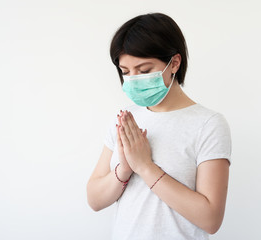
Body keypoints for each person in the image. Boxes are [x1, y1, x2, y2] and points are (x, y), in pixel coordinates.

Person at [86, 12, 232, 240]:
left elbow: (211, 219)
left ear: (174, 63)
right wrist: (124, 169)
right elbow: (94, 199)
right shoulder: (125, 119)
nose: (133, 79)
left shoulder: (208, 125)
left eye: (144, 71)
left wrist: (145, 167)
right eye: (125, 72)